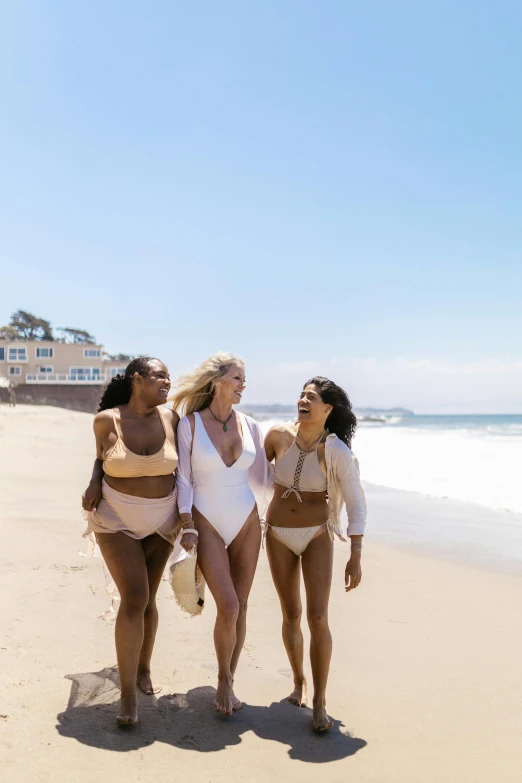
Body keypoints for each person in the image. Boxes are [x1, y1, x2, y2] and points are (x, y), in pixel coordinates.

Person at [264, 377, 367, 732]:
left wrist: (355, 553)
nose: (303, 400)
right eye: (301, 394)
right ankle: (298, 681)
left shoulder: (335, 450)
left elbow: (356, 502)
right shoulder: (277, 436)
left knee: (317, 617)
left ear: (328, 409)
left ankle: (320, 700)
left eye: (312, 397)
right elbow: (249, 479)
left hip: (317, 535)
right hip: (276, 534)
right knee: (290, 613)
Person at [172, 352, 272, 716]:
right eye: (237, 378)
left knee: (241, 606)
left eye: (244, 379)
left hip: (247, 519)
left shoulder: (251, 425)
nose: (243, 385)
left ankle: (227, 679)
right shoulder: (191, 425)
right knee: (227, 605)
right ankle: (224, 679)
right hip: (207, 519)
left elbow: (262, 476)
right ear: (217, 381)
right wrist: (187, 522)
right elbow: (184, 478)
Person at [81, 358, 180, 726]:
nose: (167, 381)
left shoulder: (172, 420)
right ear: (137, 380)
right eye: (160, 375)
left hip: (162, 519)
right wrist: (94, 481)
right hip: (116, 518)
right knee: (134, 597)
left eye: (169, 375)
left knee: (149, 599)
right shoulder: (107, 419)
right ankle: (126, 695)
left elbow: (185, 470)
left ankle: (143, 668)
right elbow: (100, 458)